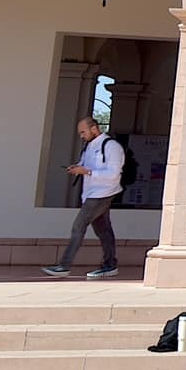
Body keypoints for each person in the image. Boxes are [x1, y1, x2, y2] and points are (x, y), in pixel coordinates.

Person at [42, 116, 125, 279]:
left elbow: (113, 174)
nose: (81, 136)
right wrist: (77, 168)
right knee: (103, 230)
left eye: (83, 132)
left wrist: (86, 172)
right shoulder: (88, 147)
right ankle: (110, 265)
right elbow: (85, 166)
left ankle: (64, 265)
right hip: (91, 193)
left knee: (78, 225)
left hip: (103, 193)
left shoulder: (111, 146)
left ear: (94, 129)